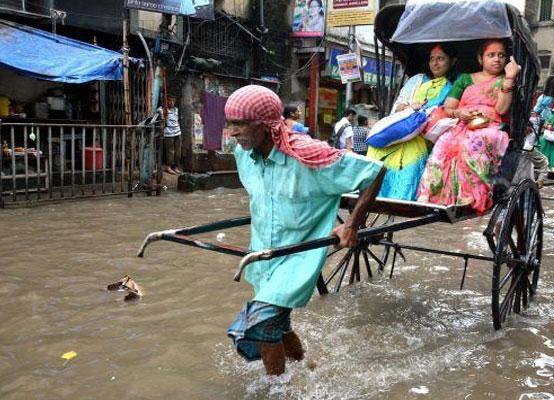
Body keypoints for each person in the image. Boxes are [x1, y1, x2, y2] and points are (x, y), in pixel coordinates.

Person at [223, 85, 385, 376]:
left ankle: (278, 391)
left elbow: (373, 171)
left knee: (260, 325)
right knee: (279, 326)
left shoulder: (308, 155)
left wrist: (352, 224)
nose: (232, 132)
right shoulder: (243, 155)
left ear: (266, 125)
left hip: (299, 257)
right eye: (230, 123)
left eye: (240, 123)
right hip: (264, 255)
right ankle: (305, 368)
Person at [416, 39, 521, 211]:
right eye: (491, 55)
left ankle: (470, 198)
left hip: (491, 127)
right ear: (481, 59)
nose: (497, 59)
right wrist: (459, 113)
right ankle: (430, 195)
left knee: (473, 144)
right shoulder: (465, 79)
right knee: (443, 144)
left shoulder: (505, 80)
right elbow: (449, 107)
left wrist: (510, 77)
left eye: (501, 56)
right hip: (462, 124)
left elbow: (501, 109)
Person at [367, 43, 459, 200]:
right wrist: (410, 108)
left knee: (413, 156)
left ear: (452, 61)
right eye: (432, 59)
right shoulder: (417, 80)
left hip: (424, 138)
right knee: (375, 152)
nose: (435, 63)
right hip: (398, 132)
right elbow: (398, 107)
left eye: (441, 59)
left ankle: (402, 198)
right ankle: (370, 195)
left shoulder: (455, 87)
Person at [162, 95, 183, 175]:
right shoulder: (163, 110)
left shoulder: (176, 110)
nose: (171, 102)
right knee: (170, 151)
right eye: (170, 100)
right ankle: (168, 166)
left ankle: (176, 166)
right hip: (168, 133)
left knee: (178, 151)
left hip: (177, 132)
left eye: (173, 101)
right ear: (166, 101)